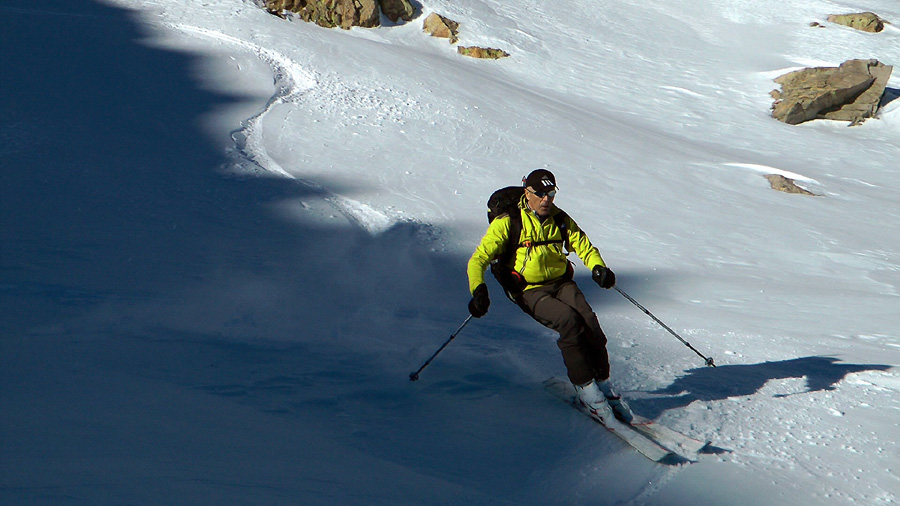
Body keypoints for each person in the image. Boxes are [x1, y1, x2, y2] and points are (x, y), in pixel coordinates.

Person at [466, 169, 632, 423]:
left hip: (561, 283)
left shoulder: (560, 218)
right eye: (541, 194)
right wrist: (478, 289)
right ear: (527, 193)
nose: (546, 199)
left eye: (551, 193)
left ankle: (603, 385)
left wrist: (598, 267)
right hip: (527, 289)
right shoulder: (509, 222)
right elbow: (478, 259)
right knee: (569, 322)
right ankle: (588, 393)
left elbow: (583, 245)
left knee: (591, 324)